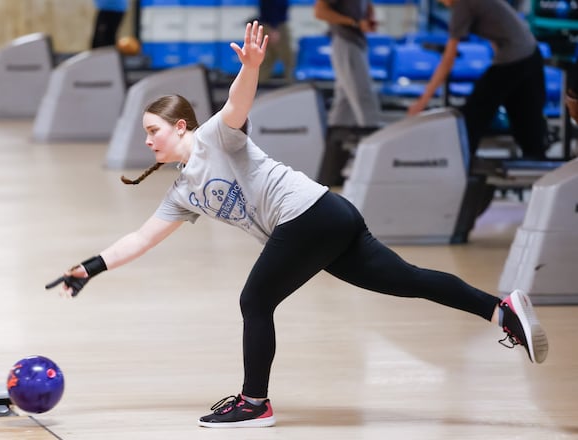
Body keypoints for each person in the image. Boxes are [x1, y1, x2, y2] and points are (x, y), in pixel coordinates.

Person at [48, 21, 549, 428]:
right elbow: (141, 238)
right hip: (327, 219)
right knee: (407, 281)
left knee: (255, 299)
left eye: (153, 131)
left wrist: (250, 68)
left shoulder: (214, 137)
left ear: (180, 125)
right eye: (146, 135)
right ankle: (502, 312)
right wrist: (88, 269)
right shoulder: (184, 190)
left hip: (308, 215)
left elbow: (238, 104)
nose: (149, 141)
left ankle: (254, 401)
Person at [407, 0, 549, 160]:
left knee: (474, 116)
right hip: (530, 54)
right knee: (525, 121)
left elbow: (448, 59)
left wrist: (422, 102)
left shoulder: (462, 5)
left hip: (515, 58)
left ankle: (462, 165)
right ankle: (537, 163)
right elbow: (498, 27)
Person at [314, 0, 382, 128]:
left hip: (357, 42)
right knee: (364, 97)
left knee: (345, 103)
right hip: (346, 42)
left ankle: (334, 144)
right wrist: (354, 22)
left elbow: (364, 6)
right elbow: (320, 11)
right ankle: (372, 141)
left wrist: (369, 16)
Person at [257, 0, 294, 84]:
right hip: (275, 26)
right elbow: (271, 8)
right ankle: (290, 83)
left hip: (270, 24)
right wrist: (274, 27)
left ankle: (258, 82)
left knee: (268, 56)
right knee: (287, 57)